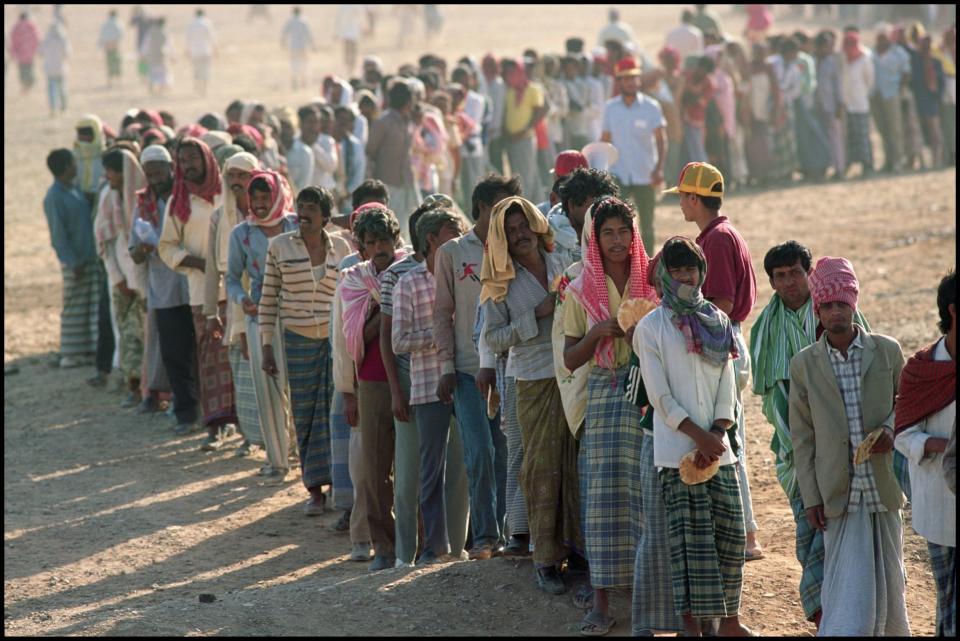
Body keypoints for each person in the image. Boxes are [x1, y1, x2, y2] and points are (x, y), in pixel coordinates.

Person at [749, 241, 869, 628]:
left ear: (809, 273)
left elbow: (866, 377)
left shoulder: (838, 311)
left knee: (857, 539)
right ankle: (828, 621)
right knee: (814, 538)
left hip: (852, 450)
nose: (788, 283)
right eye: (779, 277)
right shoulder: (765, 328)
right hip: (797, 454)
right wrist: (806, 457)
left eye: (796, 273)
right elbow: (774, 402)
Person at [635, 236, 751, 637]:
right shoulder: (650, 328)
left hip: (719, 450)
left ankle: (729, 622)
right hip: (676, 453)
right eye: (679, 269)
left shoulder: (717, 321)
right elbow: (659, 397)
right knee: (689, 547)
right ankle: (692, 627)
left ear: (702, 271)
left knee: (731, 535)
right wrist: (698, 437)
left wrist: (716, 433)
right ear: (666, 274)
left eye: (692, 268)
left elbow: (728, 384)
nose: (687, 276)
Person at [789, 257, 910, 636]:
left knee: (892, 577)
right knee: (845, 583)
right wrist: (811, 497)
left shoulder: (887, 351)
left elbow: (907, 405)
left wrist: (890, 429)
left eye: (842, 304)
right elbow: (802, 438)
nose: (835, 312)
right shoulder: (804, 365)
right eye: (827, 306)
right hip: (837, 490)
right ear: (818, 310)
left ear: (854, 304)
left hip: (882, 484)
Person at [562, 196, 655, 635]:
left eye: (624, 232)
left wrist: (644, 337)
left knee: (644, 491)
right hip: (603, 390)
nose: (617, 241)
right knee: (601, 494)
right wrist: (599, 331)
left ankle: (646, 599)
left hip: (647, 392)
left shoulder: (654, 279)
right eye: (608, 233)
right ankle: (601, 602)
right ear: (594, 239)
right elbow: (569, 358)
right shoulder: (580, 289)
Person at [481, 196, 583, 595]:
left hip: (572, 373)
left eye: (524, 226)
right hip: (532, 377)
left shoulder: (563, 263)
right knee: (541, 469)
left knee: (574, 465)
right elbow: (492, 337)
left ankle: (578, 555)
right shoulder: (498, 281)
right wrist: (534, 316)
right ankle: (544, 559)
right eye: (511, 231)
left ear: (537, 224)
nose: (520, 234)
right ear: (501, 238)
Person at [664, 161, 761, 561]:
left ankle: (746, 535)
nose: (680, 205)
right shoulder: (721, 232)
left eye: (682, 197)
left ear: (692, 198)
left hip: (718, 341)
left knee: (726, 440)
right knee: (726, 437)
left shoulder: (716, 240)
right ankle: (746, 532)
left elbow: (718, 305)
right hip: (723, 338)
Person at [434, 174, 521, 560]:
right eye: (501, 208)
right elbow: (442, 312)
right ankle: (485, 536)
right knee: (480, 451)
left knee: (505, 452)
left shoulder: (516, 249)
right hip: (468, 370)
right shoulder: (452, 253)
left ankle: (504, 535)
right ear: (483, 208)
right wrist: (445, 366)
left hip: (510, 367)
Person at [260, 186, 352, 507]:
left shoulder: (342, 249)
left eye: (312, 207)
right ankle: (314, 487)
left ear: (325, 216)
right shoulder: (279, 247)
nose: (304, 213)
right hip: (295, 338)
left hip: (332, 339)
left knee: (333, 411)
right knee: (303, 411)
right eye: (301, 206)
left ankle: (335, 484)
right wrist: (266, 346)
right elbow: (268, 298)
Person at [392, 207, 471, 565]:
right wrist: (442, 337)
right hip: (427, 386)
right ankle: (433, 547)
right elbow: (399, 341)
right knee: (430, 472)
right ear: (430, 241)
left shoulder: (465, 274)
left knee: (466, 469)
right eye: (450, 235)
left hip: (465, 381)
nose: (459, 241)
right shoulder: (409, 283)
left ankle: (459, 546)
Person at [333, 206, 409, 571]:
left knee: (411, 468)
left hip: (411, 376)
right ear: (361, 248)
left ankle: (414, 542)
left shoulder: (411, 272)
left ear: (396, 242)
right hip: (372, 381)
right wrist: (385, 308)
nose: (380, 248)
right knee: (374, 471)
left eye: (385, 240)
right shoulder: (352, 281)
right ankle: (383, 544)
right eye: (372, 242)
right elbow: (351, 339)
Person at [158, 138, 236, 449]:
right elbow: (167, 246)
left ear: (206, 159)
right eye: (183, 160)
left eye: (193, 158)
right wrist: (198, 264)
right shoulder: (178, 203)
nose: (188, 165)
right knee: (209, 359)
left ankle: (245, 426)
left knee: (239, 359)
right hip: (201, 292)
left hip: (234, 288)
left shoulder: (225, 194)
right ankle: (215, 426)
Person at [894, 270, 956, 637]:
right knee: (946, 597)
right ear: (953, 311)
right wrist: (942, 446)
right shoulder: (922, 369)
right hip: (939, 504)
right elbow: (903, 434)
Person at [225, 170, 298, 472]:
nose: (259, 203)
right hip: (260, 316)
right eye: (254, 198)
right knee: (266, 388)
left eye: (265, 197)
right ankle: (277, 460)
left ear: (277, 195)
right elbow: (230, 278)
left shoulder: (295, 225)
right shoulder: (241, 234)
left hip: (296, 315)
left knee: (296, 387)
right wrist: (242, 300)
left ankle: (297, 448)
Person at [376, 201, 431, 567]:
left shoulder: (456, 268)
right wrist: (396, 390)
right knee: (408, 473)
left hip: (447, 381)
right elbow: (387, 339)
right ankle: (403, 554)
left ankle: (439, 547)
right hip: (410, 379)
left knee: (448, 471)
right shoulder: (396, 276)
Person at [204, 151, 264, 458]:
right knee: (241, 367)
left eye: (244, 175)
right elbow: (214, 269)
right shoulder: (220, 217)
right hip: (234, 302)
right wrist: (210, 311)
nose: (238, 182)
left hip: (267, 302)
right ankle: (249, 435)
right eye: (233, 177)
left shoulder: (270, 212)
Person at [130, 146, 191, 417]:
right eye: (149, 173)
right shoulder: (142, 204)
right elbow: (133, 252)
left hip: (192, 286)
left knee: (199, 352)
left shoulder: (185, 199)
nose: (154, 177)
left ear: (170, 168)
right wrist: (142, 249)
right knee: (173, 355)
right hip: (164, 290)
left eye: (158, 171)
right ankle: (184, 409)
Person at [43, 148, 103, 372]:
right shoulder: (54, 197)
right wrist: (71, 261)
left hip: (89, 256)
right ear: (65, 167)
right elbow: (58, 234)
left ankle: (87, 350)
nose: (76, 166)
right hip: (75, 261)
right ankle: (71, 353)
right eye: (72, 163)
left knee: (90, 304)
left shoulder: (74, 189)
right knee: (74, 306)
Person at [96, 148, 148, 408]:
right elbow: (105, 244)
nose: (108, 176)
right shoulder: (108, 197)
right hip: (121, 281)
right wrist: (118, 279)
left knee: (149, 337)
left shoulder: (141, 198)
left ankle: (153, 391)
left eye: (111, 171)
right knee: (129, 339)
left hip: (145, 282)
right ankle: (133, 387)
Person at [601, 56, 666, 254]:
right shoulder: (610, 108)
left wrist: (659, 168)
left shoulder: (651, 107)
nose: (630, 82)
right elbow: (604, 140)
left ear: (639, 80)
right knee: (618, 224)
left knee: (647, 225)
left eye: (634, 78)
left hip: (645, 173)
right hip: (618, 174)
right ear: (619, 81)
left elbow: (662, 139)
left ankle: (648, 266)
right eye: (626, 78)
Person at [367, 80, 422, 242]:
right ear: (407, 101)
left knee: (413, 223)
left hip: (407, 180)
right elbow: (370, 151)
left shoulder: (407, 121)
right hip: (389, 183)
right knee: (393, 225)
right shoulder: (383, 122)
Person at [502, 58, 547, 201]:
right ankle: (534, 202)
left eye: (511, 72)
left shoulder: (533, 89)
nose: (508, 75)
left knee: (525, 175)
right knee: (521, 173)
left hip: (525, 137)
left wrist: (523, 131)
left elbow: (539, 112)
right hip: (512, 139)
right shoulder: (510, 91)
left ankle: (525, 204)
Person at [839, 31, 875, 176]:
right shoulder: (842, 59)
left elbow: (870, 81)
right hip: (847, 104)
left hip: (861, 103)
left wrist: (862, 94)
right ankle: (848, 163)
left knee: (863, 135)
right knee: (849, 136)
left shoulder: (864, 59)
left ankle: (867, 165)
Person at [332, 106, 367, 212]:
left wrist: (345, 194)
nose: (343, 123)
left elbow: (359, 172)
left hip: (347, 198)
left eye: (347, 120)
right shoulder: (327, 142)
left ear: (352, 124)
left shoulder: (355, 145)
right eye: (340, 119)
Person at [39, 21, 70, 115]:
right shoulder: (62, 39)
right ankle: (63, 107)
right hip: (61, 68)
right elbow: (68, 53)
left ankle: (53, 108)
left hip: (49, 69)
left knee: (51, 90)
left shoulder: (47, 39)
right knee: (62, 89)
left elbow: (40, 52)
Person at [281, 6, 315, 90]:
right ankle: (303, 80)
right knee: (303, 64)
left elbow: (284, 32)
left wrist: (283, 42)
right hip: (302, 46)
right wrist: (312, 45)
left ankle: (295, 80)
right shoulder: (303, 21)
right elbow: (308, 34)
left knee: (294, 63)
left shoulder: (290, 21)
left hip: (293, 46)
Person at [185, 9, 217, 97]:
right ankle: (204, 90)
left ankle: (198, 87)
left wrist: (187, 50)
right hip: (206, 51)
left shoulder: (191, 24)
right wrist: (215, 49)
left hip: (195, 52)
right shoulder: (207, 23)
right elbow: (212, 37)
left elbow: (188, 39)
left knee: (196, 71)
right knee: (206, 70)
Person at [334, 4, 370, 76]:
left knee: (347, 53)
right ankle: (351, 69)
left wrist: (337, 32)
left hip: (346, 33)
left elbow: (339, 19)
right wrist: (364, 27)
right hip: (354, 33)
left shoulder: (344, 6)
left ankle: (349, 70)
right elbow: (362, 17)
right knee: (353, 53)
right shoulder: (357, 6)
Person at [9, 12, 40, 94]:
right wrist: (35, 50)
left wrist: (13, 53)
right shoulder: (31, 26)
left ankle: (24, 87)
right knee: (30, 72)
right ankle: (28, 86)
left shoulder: (16, 28)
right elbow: (36, 39)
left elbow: (13, 42)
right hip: (30, 54)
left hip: (20, 55)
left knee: (22, 73)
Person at [140, 17, 171, 95]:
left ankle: (152, 89)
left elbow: (145, 44)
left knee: (152, 73)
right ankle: (160, 90)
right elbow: (168, 46)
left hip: (152, 56)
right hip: (161, 56)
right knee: (162, 74)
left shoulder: (151, 32)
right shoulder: (164, 32)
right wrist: (170, 54)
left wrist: (143, 54)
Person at [97, 10, 123, 87]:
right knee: (116, 63)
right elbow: (120, 34)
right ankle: (118, 81)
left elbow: (102, 35)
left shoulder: (105, 24)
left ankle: (110, 81)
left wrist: (101, 45)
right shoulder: (117, 23)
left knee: (109, 63)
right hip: (115, 45)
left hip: (108, 46)